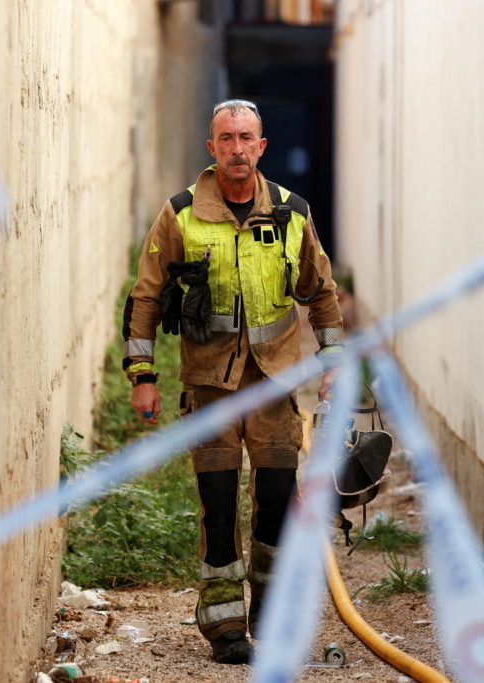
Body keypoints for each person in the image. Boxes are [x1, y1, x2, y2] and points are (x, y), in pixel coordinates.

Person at [122, 99, 344, 664]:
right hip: (210, 386)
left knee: (274, 498)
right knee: (217, 505)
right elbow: (144, 299)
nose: (238, 148)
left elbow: (321, 293)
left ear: (262, 147)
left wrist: (334, 362)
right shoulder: (181, 216)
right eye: (227, 138)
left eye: (247, 138)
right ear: (212, 147)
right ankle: (223, 624)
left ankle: (269, 608)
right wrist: (142, 376)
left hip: (273, 383)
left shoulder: (293, 214)